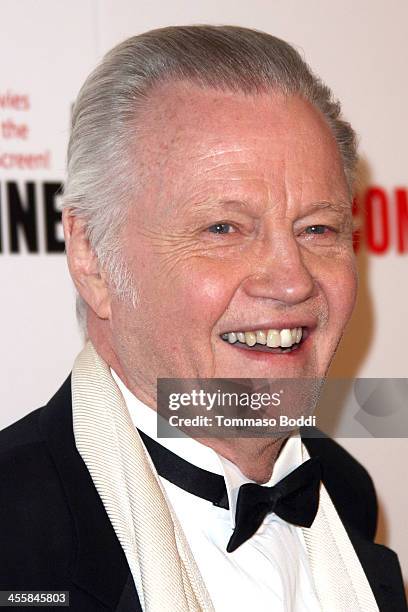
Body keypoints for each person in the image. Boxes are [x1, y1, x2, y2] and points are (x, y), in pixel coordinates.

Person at [0, 25, 406, 612]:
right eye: (224, 229)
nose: (292, 281)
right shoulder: (15, 541)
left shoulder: (344, 494)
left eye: (318, 229)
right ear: (93, 259)